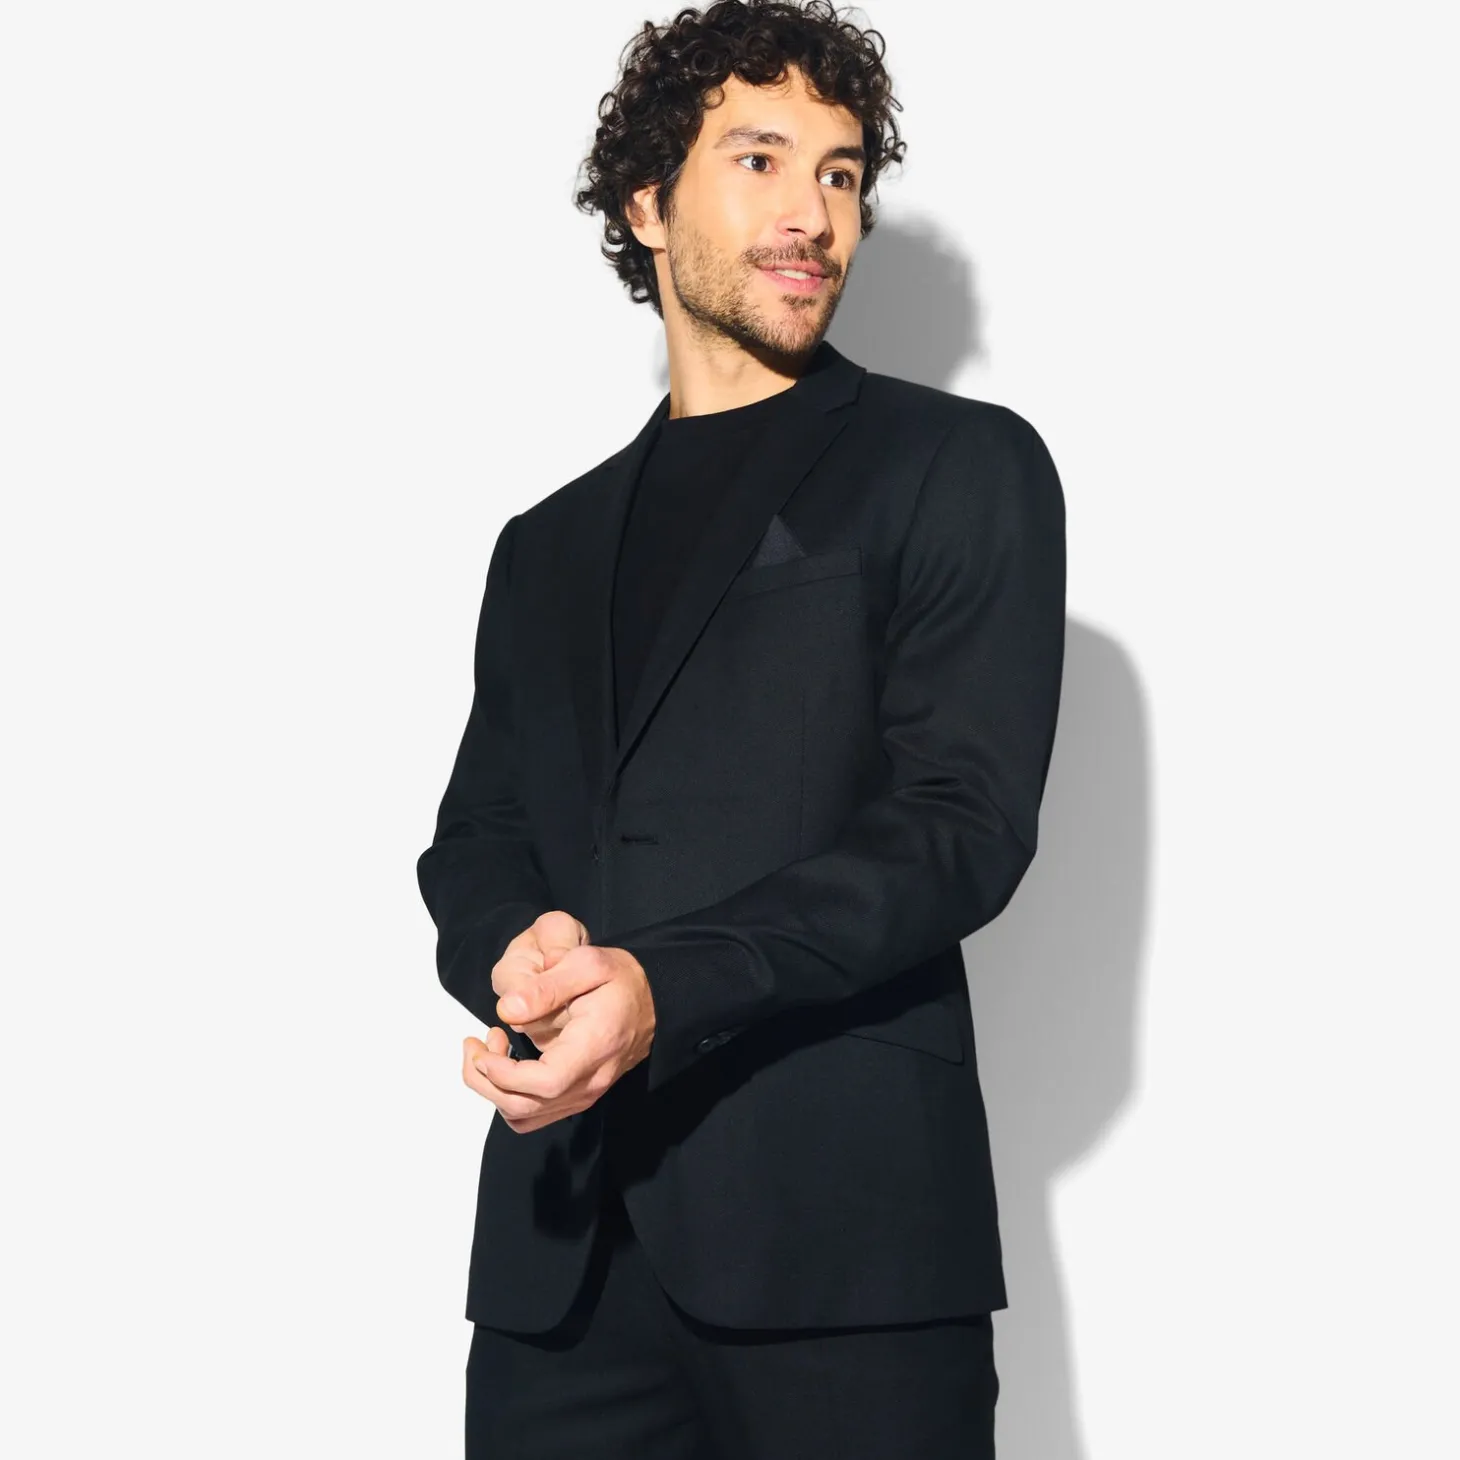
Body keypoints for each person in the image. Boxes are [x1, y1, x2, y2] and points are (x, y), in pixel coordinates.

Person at [414, 2, 1066, 1454]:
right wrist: (510, 952)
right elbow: (478, 837)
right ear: (647, 204)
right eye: (760, 160)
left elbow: (960, 825)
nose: (811, 215)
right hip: (559, 1265)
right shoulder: (542, 545)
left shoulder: (960, 465)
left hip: (846, 1256)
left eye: (840, 173)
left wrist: (664, 985)